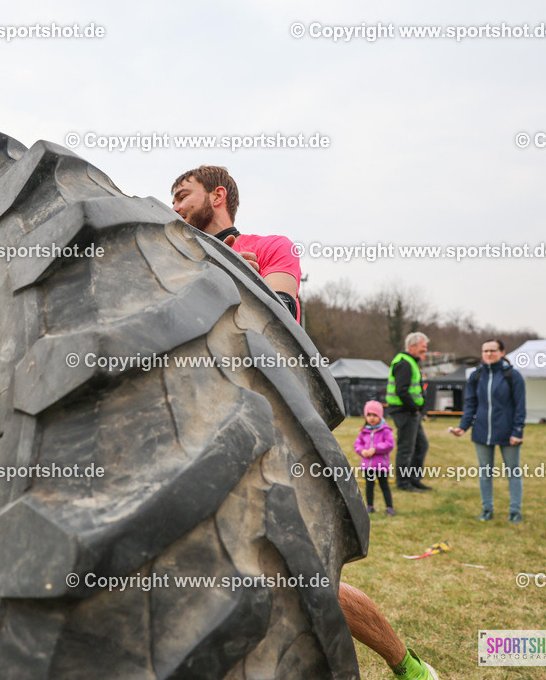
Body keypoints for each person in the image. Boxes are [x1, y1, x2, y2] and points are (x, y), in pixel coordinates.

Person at [171, 170, 437, 678]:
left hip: (262, 419)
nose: (177, 207)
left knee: (301, 568)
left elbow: (284, 315)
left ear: (217, 196)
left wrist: (238, 275)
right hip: (192, 419)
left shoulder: (269, 246)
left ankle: (408, 665)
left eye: (183, 195)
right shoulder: (170, 255)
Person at [170, 166, 302, 321]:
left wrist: (231, 283)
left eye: (183, 197)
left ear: (217, 196)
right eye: (173, 202)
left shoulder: (273, 246)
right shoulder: (177, 266)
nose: (174, 209)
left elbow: (281, 320)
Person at [450, 340, 526, 522]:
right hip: (482, 432)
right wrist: (463, 426)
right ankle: (487, 509)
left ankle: (515, 511)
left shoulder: (513, 376)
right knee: (485, 473)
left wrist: (517, 431)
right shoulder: (476, 376)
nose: (489, 354)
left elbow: (520, 406)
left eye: (493, 350)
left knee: (513, 471)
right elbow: (470, 404)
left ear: (502, 352)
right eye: (485, 351)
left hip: (508, 433)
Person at [386, 332, 431, 491]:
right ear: (412, 346)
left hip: (412, 413)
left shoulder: (411, 362)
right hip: (405, 412)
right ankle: (404, 483)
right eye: (423, 348)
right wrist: (414, 409)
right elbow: (402, 390)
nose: (424, 351)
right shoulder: (404, 363)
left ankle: (414, 479)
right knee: (406, 448)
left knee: (421, 446)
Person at [356, 401, 396, 516]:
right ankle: (369, 506)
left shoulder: (385, 430)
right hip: (368, 466)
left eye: (375, 415)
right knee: (369, 485)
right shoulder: (364, 431)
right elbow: (357, 444)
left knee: (384, 485)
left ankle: (389, 507)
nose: (372, 418)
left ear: (380, 416)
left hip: (381, 466)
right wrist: (362, 451)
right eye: (369, 415)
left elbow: (389, 444)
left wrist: (375, 449)